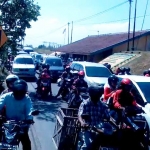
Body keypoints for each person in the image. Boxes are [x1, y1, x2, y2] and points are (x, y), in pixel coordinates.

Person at [0, 79, 33, 150]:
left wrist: (29, 119)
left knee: (26, 143)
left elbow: (29, 109)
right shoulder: (6, 96)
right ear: (13, 91)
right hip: (6, 123)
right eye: (17, 93)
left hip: (21, 125)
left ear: (24, 92)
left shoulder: (27, 99)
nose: (19, 95)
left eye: (21, 93)